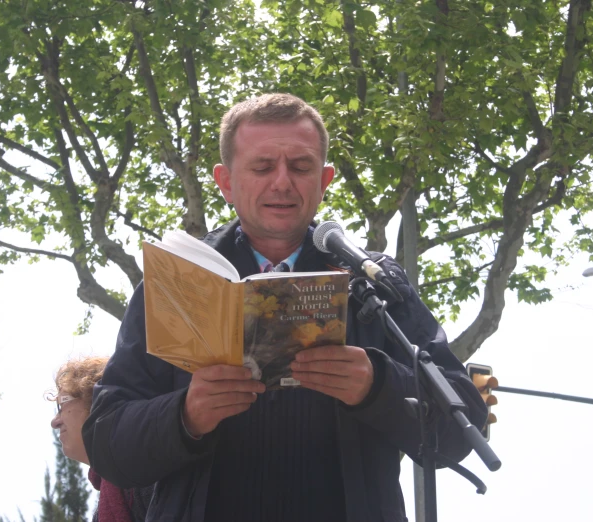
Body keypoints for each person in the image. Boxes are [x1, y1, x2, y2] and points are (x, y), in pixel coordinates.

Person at [82, 93, 487, 522]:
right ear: (226, 182)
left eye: (300, 166)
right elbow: (107, 446)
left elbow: (460, 430)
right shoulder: (173, 283)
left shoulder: (375, 282)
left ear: (324, 179)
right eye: (261, 167)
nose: (282, 182)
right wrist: (185, 415)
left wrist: (377, 385)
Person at [51, 356, 152, 522]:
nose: (55, 422)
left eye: (61, 405)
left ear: (97, 399)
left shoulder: (147, 468)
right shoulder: (117, 486)